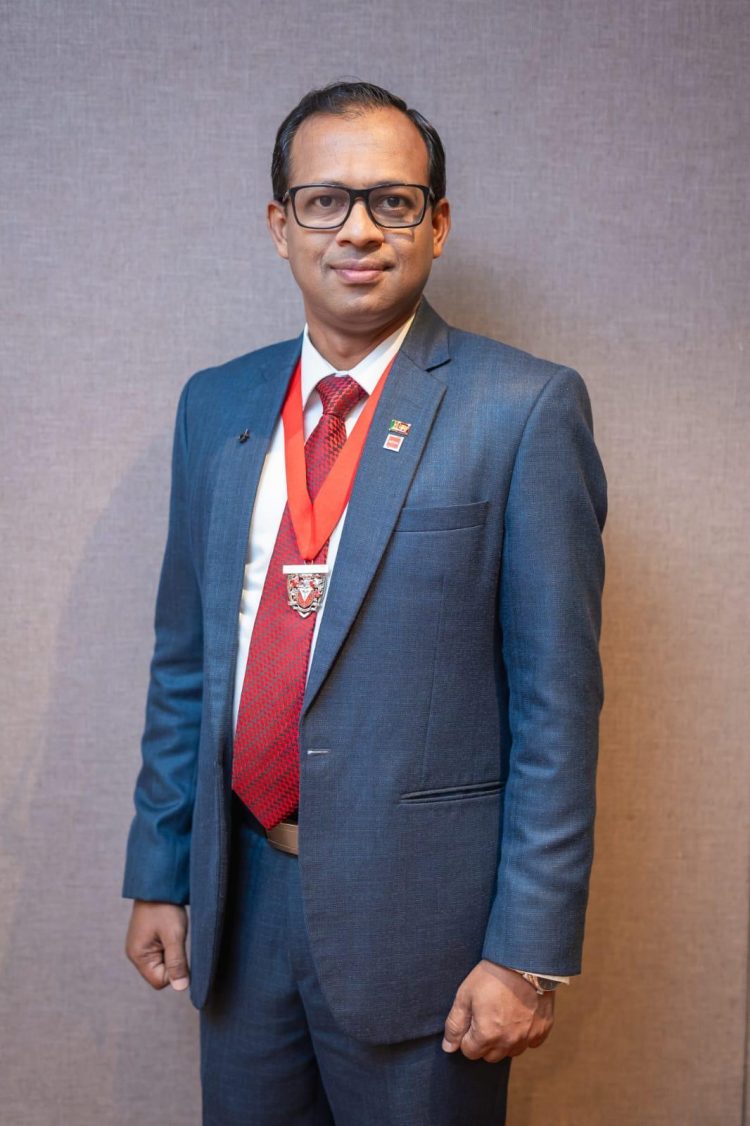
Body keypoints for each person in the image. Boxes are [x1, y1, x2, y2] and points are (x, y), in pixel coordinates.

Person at [123, 81, 607, 1125]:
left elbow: (557, 708)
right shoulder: (216, 404)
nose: (358, 230)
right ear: (279, 225)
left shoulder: (523, 408)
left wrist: (527, 953)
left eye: (393, 200)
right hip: (241, 901)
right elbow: (187, 660)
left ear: (437, 223)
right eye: (324, 201)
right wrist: (160, 869)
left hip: (427, 928)